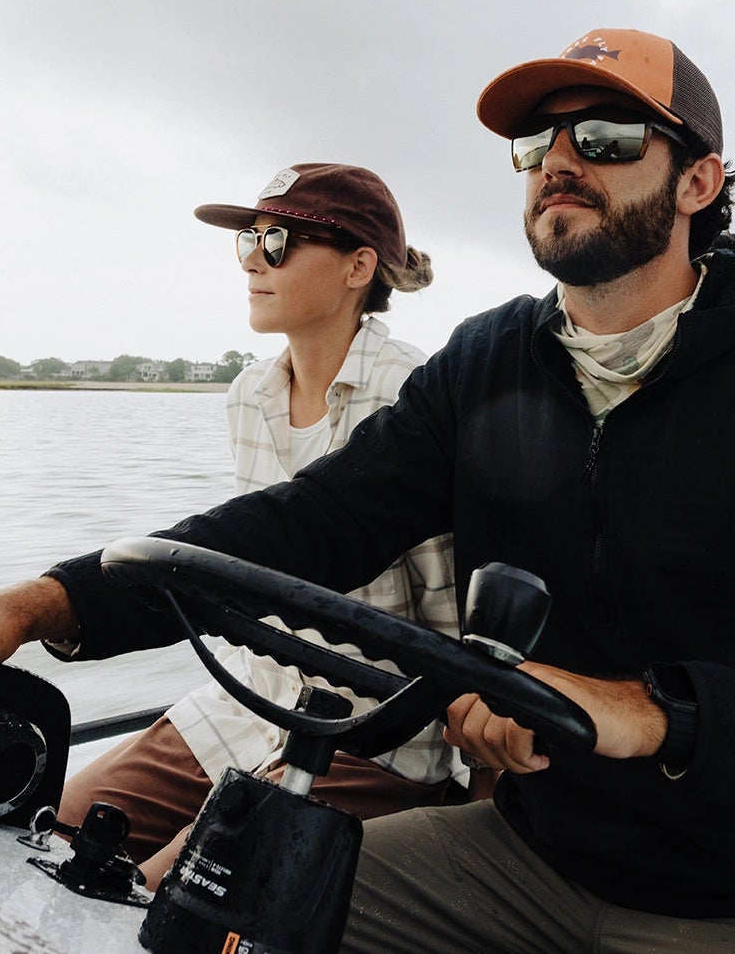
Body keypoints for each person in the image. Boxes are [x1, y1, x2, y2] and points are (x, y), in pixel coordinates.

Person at [0, 29, 735, 953]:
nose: (560, 162)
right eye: (539, 143)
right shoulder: (489, 363)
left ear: (699, 182)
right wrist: (46, 604)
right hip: (536, 855)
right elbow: (311, 523)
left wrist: (651, 713)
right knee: (207, 918)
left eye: (607, 138)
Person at [50, 163, 463, 891]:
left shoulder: (415, 397)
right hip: (248, 699)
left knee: (166, 889)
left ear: (358, 267)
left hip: (374, 738)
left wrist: (480, 777)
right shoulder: (248, 394)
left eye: (278, 243)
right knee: (55, 823)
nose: (252, 261)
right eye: (248, 240)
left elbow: (454, 610)